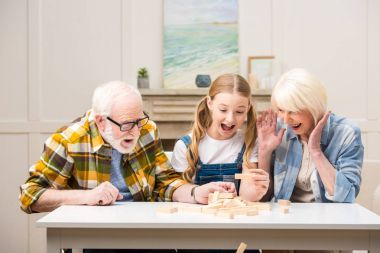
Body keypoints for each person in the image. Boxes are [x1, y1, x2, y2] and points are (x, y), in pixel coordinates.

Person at [19, 81, 236, 253]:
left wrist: (196, 192)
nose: (135, 131)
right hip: (94, 236)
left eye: (139, 120)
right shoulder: (69, 140)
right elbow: (30, 196)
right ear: (100, 121)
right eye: (126, 124)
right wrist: (85, 197)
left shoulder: (146, 130)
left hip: (146, 231)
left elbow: (165, 182)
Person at [258, 69, 364, 253]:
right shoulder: (280, 130)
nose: (286, 119)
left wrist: (315, 151)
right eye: (281, 110)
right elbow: (264, 196)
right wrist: (264, 152)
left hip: (326, 229)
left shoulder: (346, 132)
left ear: (313, 106)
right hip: (283, 225)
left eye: (293, 111)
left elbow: (346, 197)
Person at [172, 73, 270, 204]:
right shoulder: (185, 146)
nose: (230, 119)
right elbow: (176, 193)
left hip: (233, 219)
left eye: (239, 112)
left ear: (248, 109)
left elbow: (246, 195)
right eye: (223, 110)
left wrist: (257, 190)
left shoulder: (249, 143)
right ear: (210, 103)